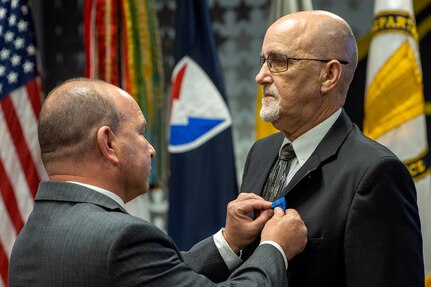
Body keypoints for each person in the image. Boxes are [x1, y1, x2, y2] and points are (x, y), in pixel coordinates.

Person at [8, 78, 307, 286]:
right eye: (140, 133)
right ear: (108, 143)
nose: (151, 148)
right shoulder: (121, 238)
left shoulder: (29, 238)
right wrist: (274, 248)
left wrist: (227, 241)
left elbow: (154, 278)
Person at [240, 10, 424, 286]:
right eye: (263, 61)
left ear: (329, 74)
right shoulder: (261, 152)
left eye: (278, 61)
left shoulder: (376, 173)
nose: (261, 76)